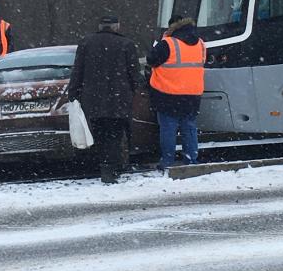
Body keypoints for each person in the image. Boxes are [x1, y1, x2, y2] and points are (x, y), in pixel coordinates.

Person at [68, 14, 142, 184]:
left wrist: (73, 93)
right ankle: (110, 168)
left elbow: (77, 70)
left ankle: (102, 166)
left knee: (99, 134)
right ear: (117, 26)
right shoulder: (126, 44)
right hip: (118, 99)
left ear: (100, 26)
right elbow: (134, 73)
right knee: (115, 135)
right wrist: (134, 88)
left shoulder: (86, 43)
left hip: (92, 99)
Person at [146, 15, 205, 170]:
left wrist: (163, 40)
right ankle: (191, 159)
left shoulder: (168, 43)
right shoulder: (200, 43)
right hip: (192, 94)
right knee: (189, 127)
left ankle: (167, 161)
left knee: (168, 128)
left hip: (168, 93)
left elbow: (151, 59)